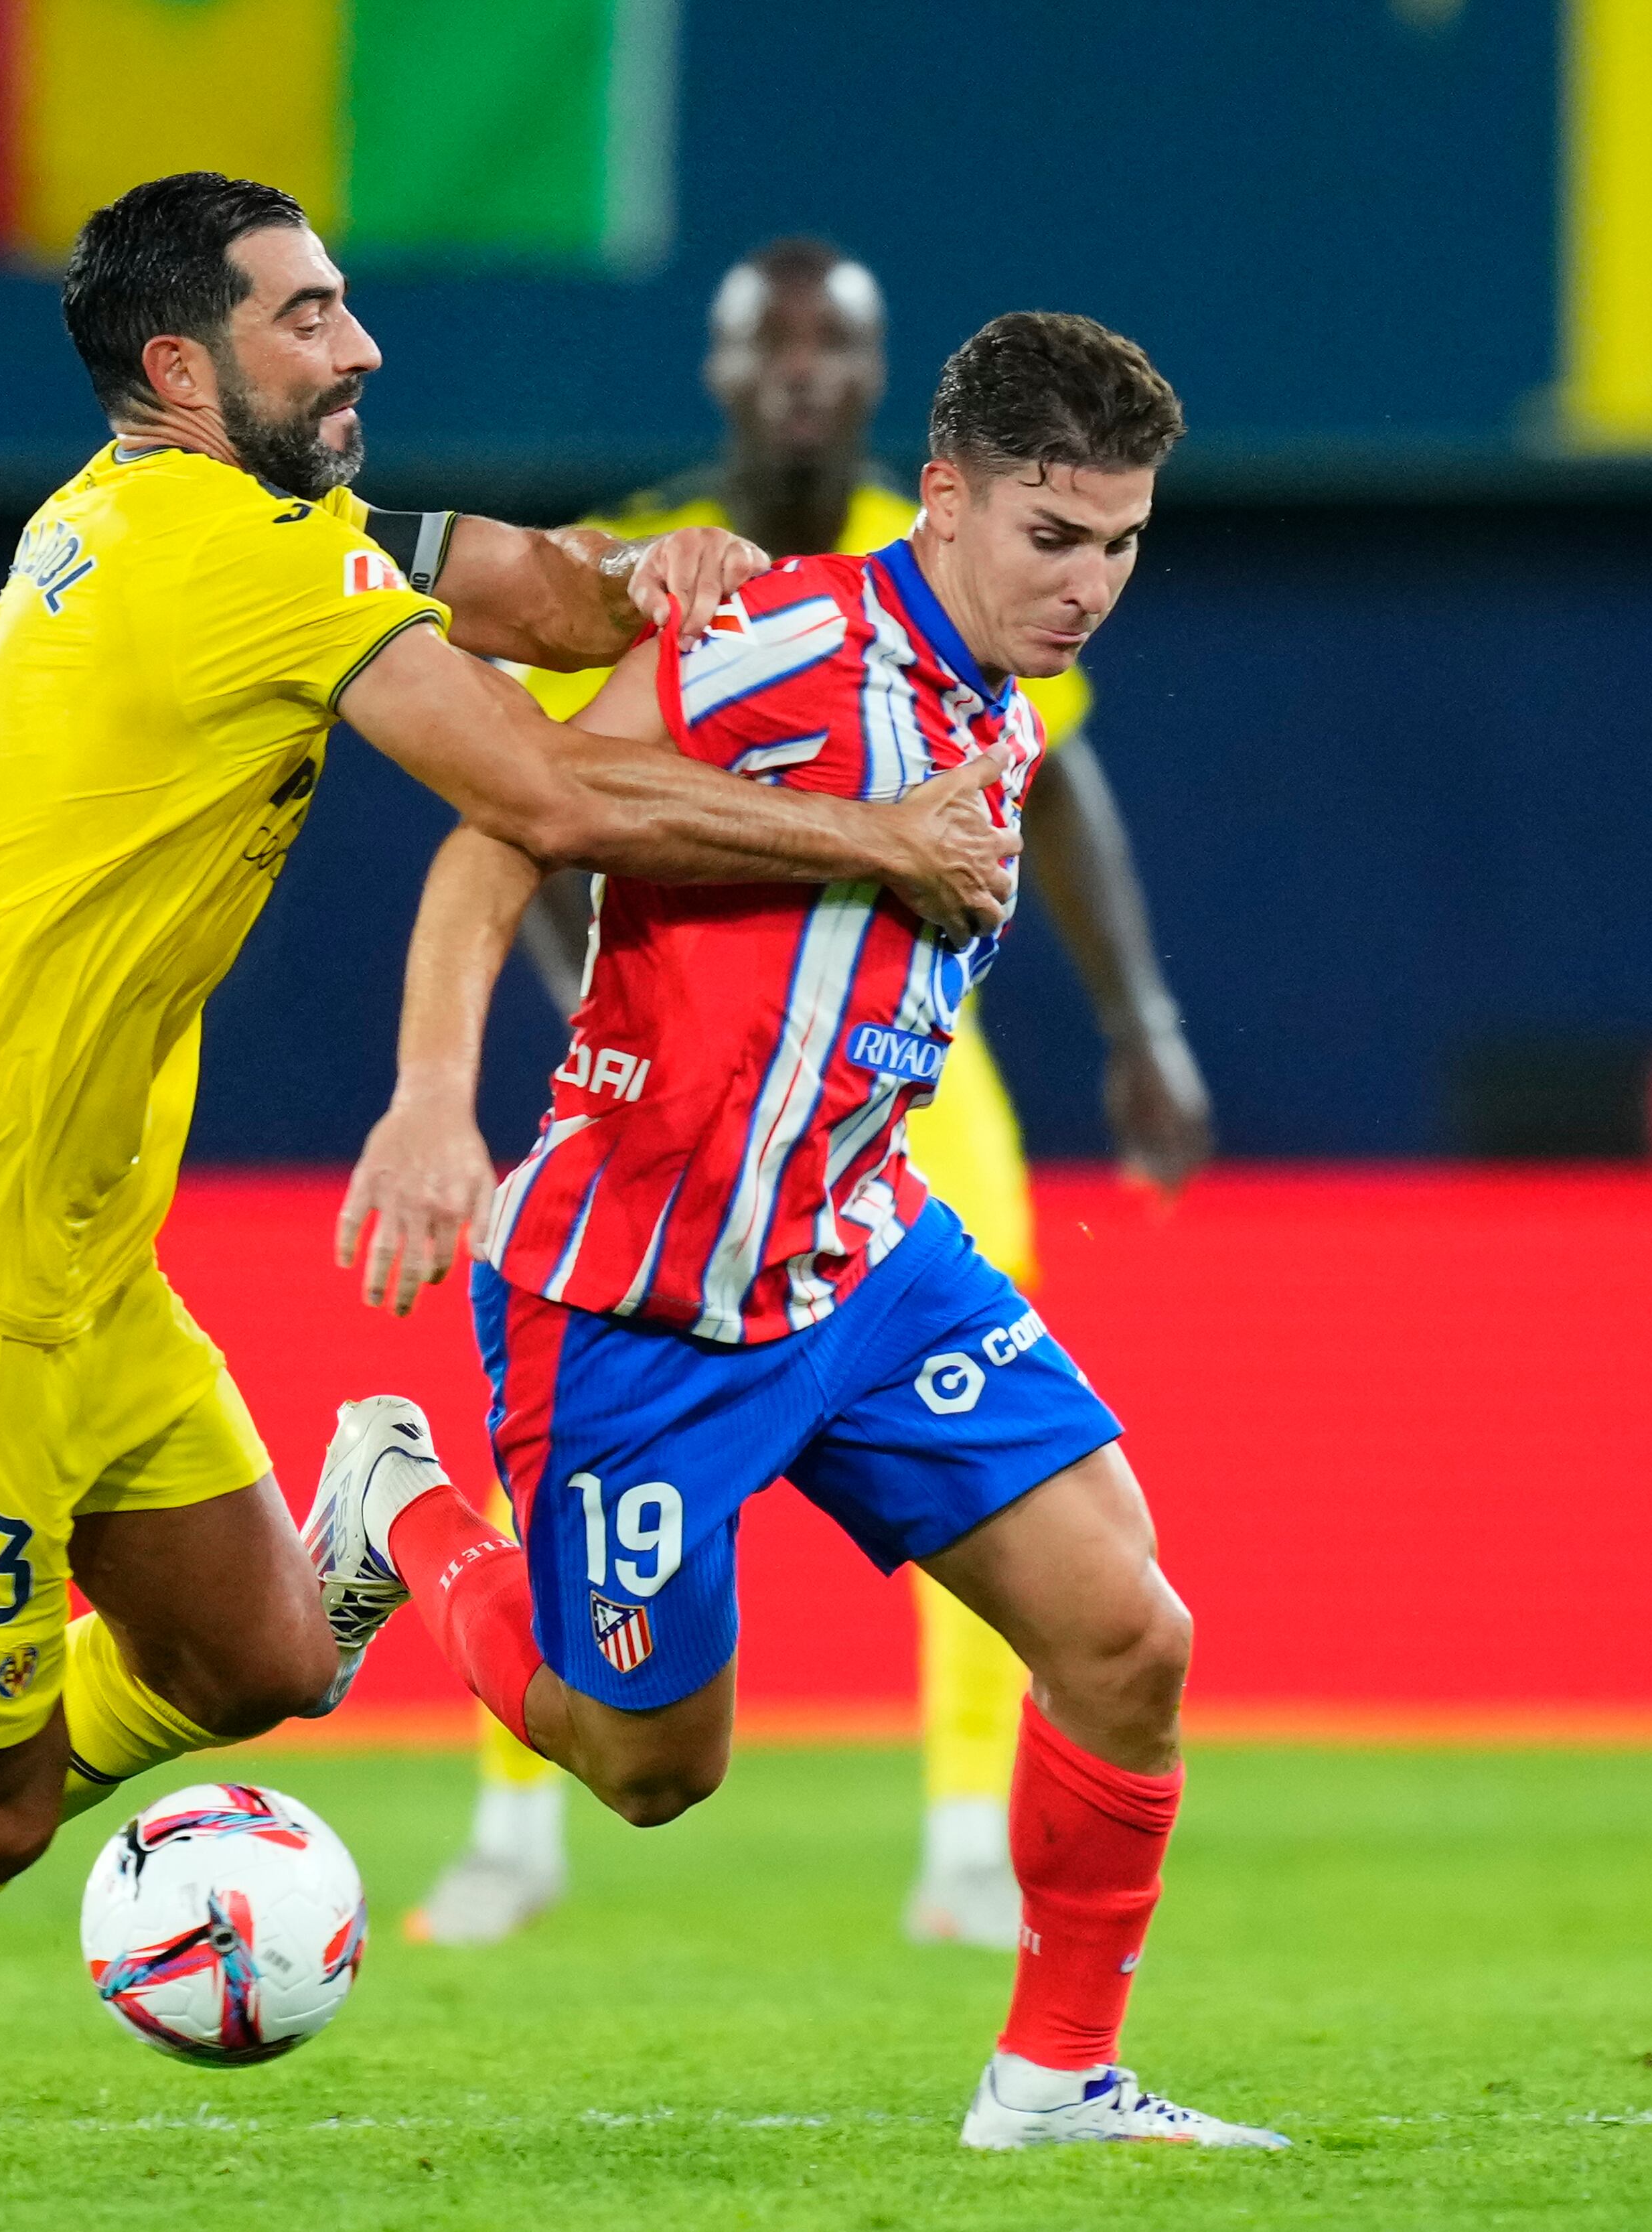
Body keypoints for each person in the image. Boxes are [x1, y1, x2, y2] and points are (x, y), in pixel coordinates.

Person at [0, 169, 1021, 2156]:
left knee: (265, 1655)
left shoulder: (191, 518)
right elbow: (546, 790)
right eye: (306, 316)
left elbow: (517, 594)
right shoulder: (231, 559)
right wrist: (887, 838)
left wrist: (661, 582)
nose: (361, 343)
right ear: (178, 366)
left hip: (70, 1260)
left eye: (346, 304)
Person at [320, 312, 1286, 2149]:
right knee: (651, 1768)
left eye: (1125, 545)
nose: (1090, 589)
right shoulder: (776, 641)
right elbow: (502, 837)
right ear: (943, 498)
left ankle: (1055, 2079)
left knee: (1128, 1638)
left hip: (860, 1262)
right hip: (641, 1304)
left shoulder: (1004, 720)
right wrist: (434, 1106)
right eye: (1052, 539)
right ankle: (402, 1509)